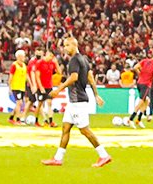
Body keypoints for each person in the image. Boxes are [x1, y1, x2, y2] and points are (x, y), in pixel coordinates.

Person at [42, 36, 111, 168]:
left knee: (85, 130)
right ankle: (58, 158)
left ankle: (104, 155)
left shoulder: (74, 60)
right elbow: (90, 77)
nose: (65, 48)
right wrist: (96, 94)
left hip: (77, 101)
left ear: (74, 45)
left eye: (67, 45)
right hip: (75, 101)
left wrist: (58, 90)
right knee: (66, 128)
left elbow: (74, 77)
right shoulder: (84, 59)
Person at [129, 50, 153, 128]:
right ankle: (130, 119)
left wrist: (140, 74)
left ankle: (138, 120)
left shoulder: (145, 61)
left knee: (147, 101)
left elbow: (135, 67)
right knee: (141, 102)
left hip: (139, 83)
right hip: (146, 84)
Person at [8, 49, 29, 125]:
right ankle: (18, 119)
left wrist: (30, 83)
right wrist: (9, 87)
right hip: (16, 87)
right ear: (19, 56)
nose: (24, 57)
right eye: (23, 56)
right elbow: (11, 76)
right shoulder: (14, 65)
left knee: (19, 103)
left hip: (22, 87)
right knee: (19, 103)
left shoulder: (24, 65)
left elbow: (26, 75)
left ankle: (11, 118)